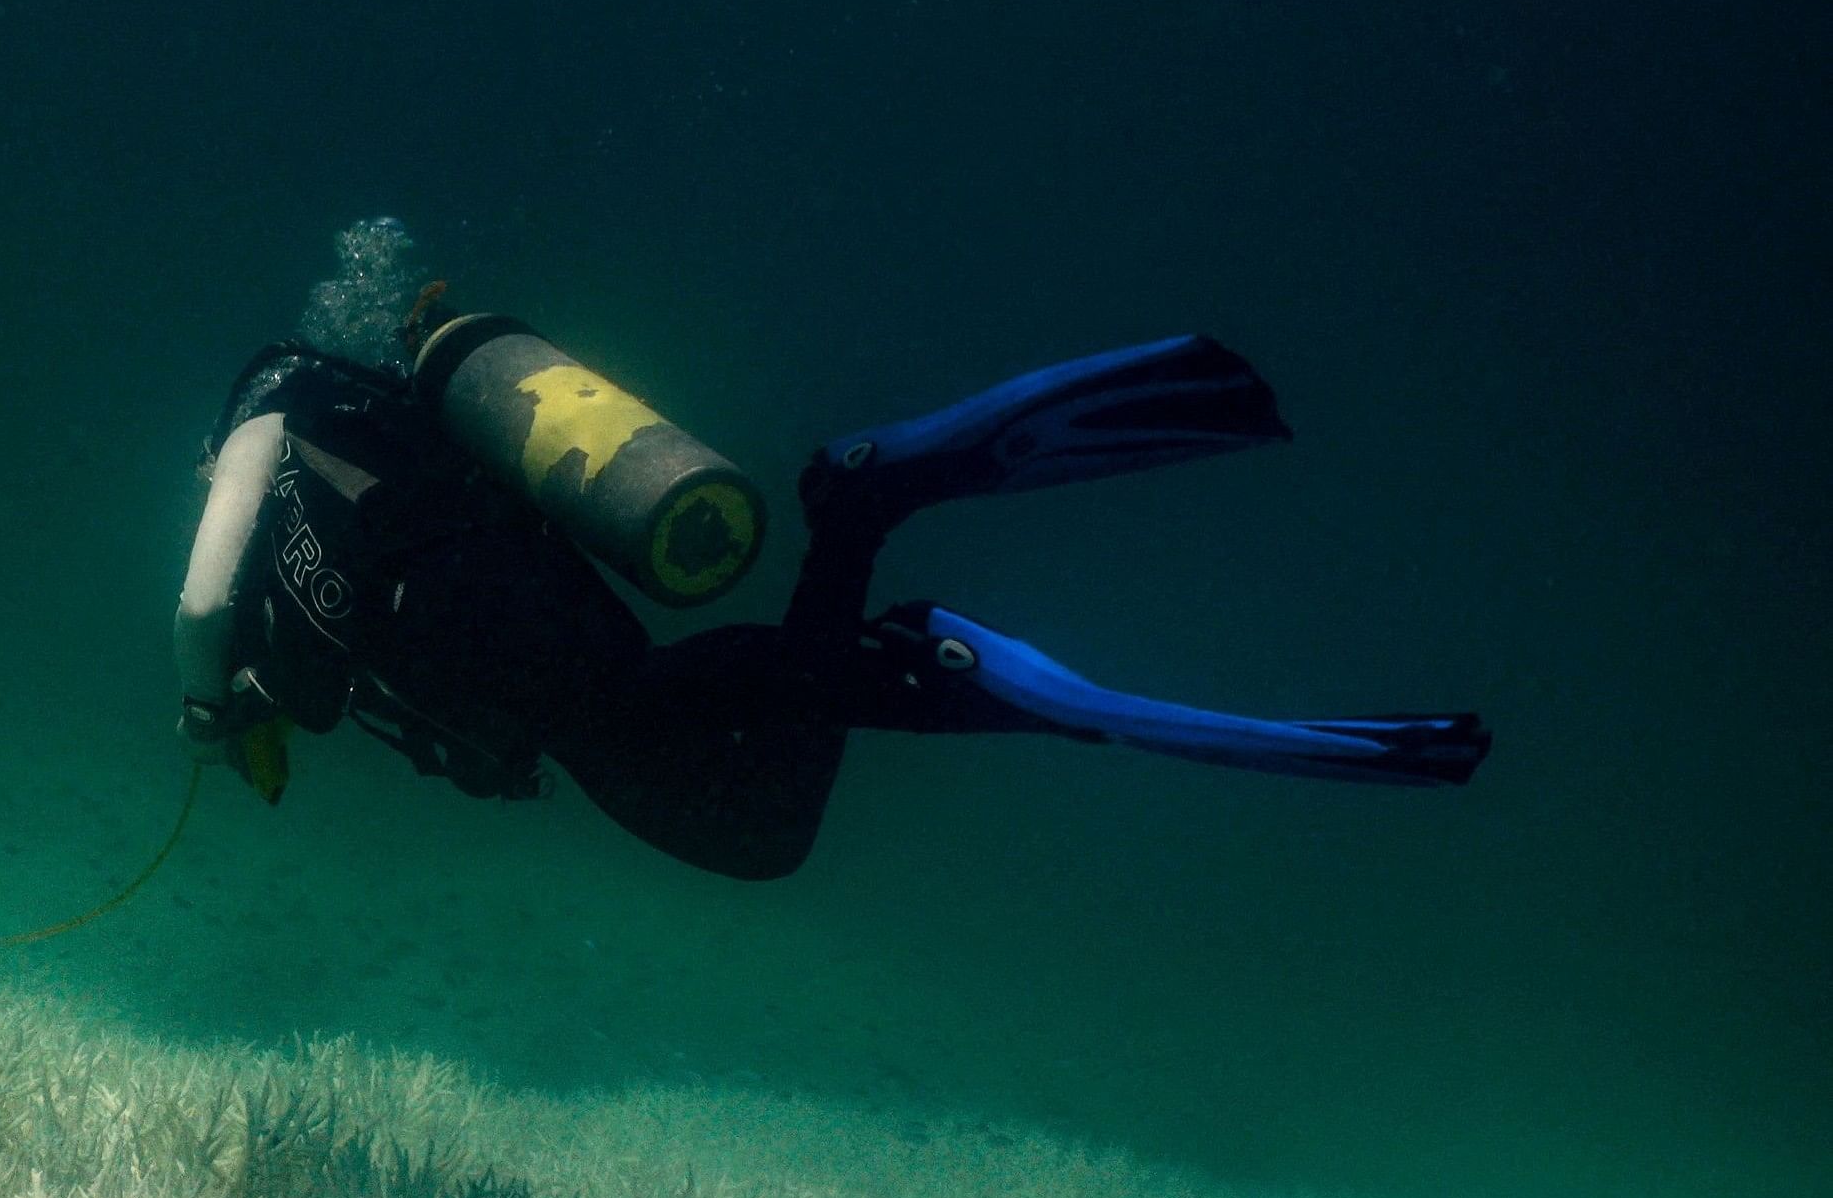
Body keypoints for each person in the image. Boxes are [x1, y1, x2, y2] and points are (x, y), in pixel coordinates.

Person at [171, 284, 1488, 880]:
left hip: (537, 664)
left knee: (744, 823)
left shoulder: (264, 420)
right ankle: (865, 532)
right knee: (744, 800)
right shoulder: (376, 426)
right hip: (555, 631)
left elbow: (195, 604)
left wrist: (203, 705)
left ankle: (889, 587)